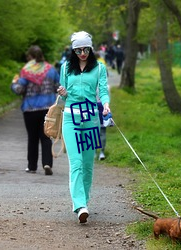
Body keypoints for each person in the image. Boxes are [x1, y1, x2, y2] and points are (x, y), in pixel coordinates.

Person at [57, 31, 110, 223]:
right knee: (76, 163)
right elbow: (63, 97)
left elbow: (103, 90)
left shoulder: (99, 68)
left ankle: (84, 201)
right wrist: (62, 92)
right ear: (73, 50)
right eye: (78, 50)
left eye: (86, 49)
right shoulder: (66, 68)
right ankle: (79, 205)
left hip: (91, 120)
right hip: (71, 118)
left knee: (88, 165)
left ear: (91, 48)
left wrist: (105, 104)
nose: (82, 53)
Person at [11, 45, 60, 175]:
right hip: (47, 109)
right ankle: (47, 163)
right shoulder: (51, 70)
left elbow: (19, 90)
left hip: (30, 109)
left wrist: (14, 83)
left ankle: (32, 166)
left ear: (30, 57)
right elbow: (58, 87)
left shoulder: (26, 71)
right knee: (46, 137)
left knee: (32, 138)